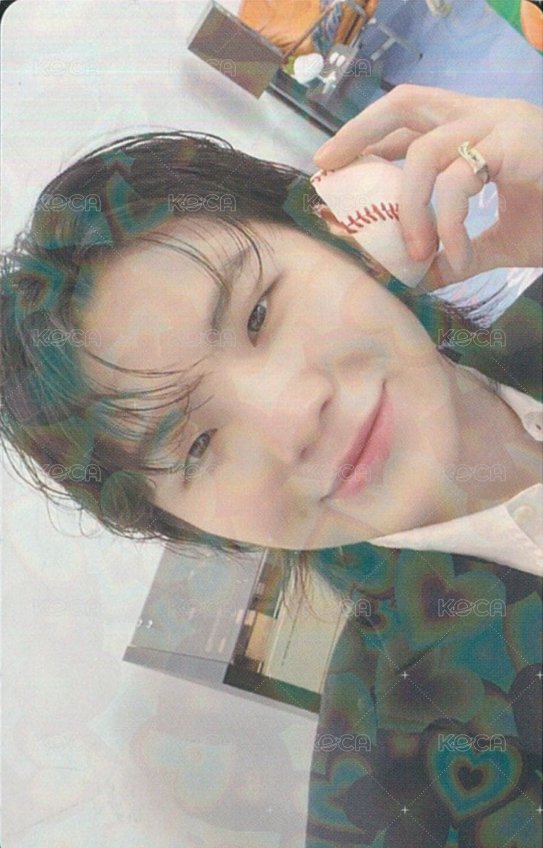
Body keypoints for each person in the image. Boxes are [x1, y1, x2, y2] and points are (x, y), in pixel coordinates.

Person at [1, 84, 541, 843]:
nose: (292, 416)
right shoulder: (402, 797)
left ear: (333, 233)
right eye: (196, 446)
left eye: (259, 312)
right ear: (186, 527)